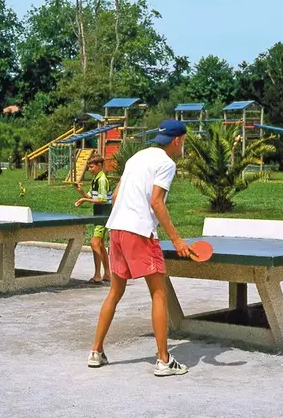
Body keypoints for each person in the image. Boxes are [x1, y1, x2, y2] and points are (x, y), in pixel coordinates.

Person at [87, 119, 193, 376]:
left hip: (117, 230)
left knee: (115, 291)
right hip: (139, 232)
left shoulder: (136, 157)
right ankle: (164, 361)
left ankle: (96, 351)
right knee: (159, 292)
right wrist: (177, 240)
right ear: (178, 140)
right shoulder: (167, 164)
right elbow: (156, 202)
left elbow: (116, 196)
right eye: (184, 141)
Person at [73, 154, 111, 284]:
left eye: (92, 166)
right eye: (89, 167)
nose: (90, 169)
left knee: (94, 243)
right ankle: (107, 274)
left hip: (104, 214)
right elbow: (91, 196)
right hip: (99, 213)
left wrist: (84, 199)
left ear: (100, 165)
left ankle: (97, 275)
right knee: (100, 244)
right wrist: (81, 193)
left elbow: (102, 199)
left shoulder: (102, 180)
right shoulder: (96, 178)